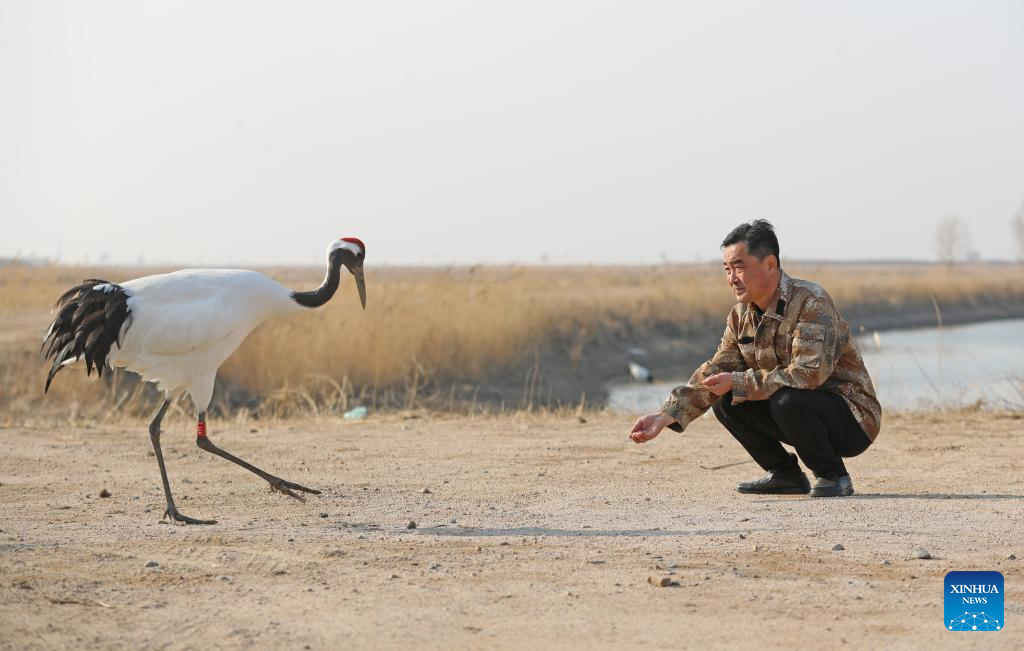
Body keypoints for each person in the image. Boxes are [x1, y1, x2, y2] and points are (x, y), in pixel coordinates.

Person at [629, 220, 881, 497]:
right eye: (727, 269)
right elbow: (717, 371)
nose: (732, 278)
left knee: (785, 399)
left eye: (739, 267)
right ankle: (785, 475)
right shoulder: (740, 316)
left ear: (770, 264)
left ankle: (833, 476)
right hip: (799, 411)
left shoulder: (811, 301)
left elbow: (809, 375)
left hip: (852, 419)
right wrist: (665, 415)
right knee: (727, 401)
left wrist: (739, 381)